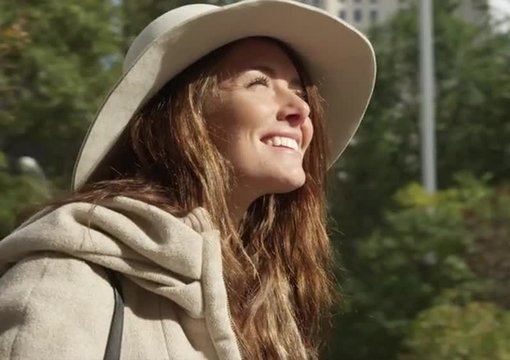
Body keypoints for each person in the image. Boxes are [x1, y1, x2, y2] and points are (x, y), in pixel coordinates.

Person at [0, 1, 375, 359]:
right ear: (182, 117)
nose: (302, 108)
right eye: (259, 82)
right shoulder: (67, 276)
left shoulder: (267, 306)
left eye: (298, 90)